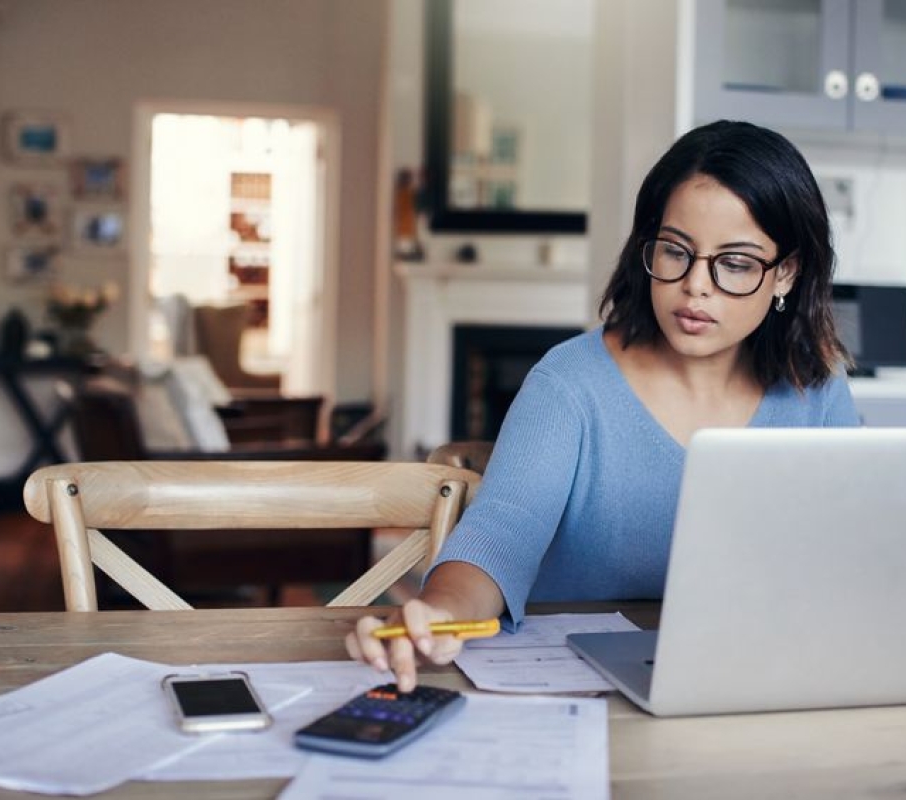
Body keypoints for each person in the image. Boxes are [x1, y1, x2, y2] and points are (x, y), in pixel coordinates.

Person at [347, 120, 861, 690]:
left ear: (785, 272)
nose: (696, 286)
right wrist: (440, 613)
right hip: (580, 690)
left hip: (755, 680)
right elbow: (499, 537)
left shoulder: (817, 387)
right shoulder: (568, 384)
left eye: (735, 263)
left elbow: (851, 554)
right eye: (675, 252)